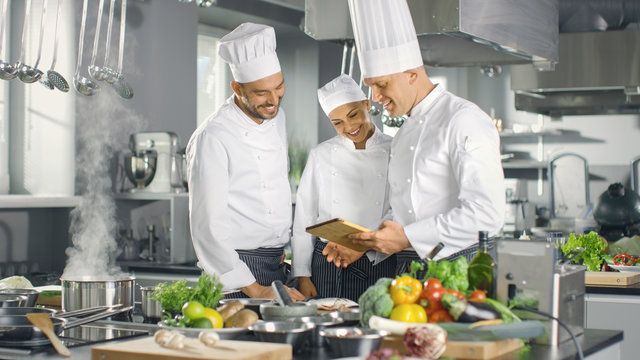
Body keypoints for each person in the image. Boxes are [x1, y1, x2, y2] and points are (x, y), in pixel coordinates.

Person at [339, 0, 506, 274]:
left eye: (381, 85)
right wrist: (369, 241)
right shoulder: (403, 132)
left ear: (412, 75)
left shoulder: (463, 119)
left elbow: (486, 215)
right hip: (409, 267)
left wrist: (407, 237)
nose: (376, 99)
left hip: (459, 268)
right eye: (371, 87)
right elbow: (407, 211)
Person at [186, 23, 304, 300]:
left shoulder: (277, 117)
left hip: (276, 264)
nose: (273, 100)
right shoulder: (213, 136)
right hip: (237, 274)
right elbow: (207, 226)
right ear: (237, 88)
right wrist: (254, 288)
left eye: (279, 87)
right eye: (262, 93)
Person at [291, 74, 396, 302]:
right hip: (328, 260)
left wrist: (365, 244)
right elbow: (304, 217)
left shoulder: (394, 150)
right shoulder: (321, 154)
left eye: (353, 115)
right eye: (337, 122)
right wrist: (303, 275)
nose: (348, 126)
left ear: (367, 105)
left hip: (376, 258)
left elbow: (397, 209)